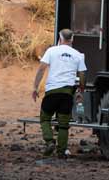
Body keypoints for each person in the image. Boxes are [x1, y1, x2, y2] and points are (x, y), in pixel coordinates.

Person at [32, 29, 87, 158]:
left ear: (60, 38)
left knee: (44, 118)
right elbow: (83, 74)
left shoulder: (51, 51)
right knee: (64, 125)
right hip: (67, 93)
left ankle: (49, 141)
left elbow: (41, 69)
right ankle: (61, 152)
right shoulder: (78, 54)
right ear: (72, 39)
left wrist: (35, 87)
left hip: (52, 92)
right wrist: (81, 89)